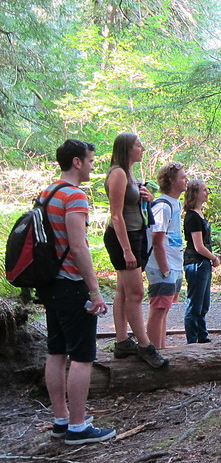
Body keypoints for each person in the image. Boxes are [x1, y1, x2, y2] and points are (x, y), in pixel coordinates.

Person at [39, 139, 116, 444]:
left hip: (49, 284)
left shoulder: (47, 194)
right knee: (82, 357)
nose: (93, 165)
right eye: (91, 160)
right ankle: (78, 426)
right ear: (77, 162)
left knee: (56, 352)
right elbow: (78, 246)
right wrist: (95, 292)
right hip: (72, 285)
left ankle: (61, 421)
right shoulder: (74, 196)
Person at [103, 133, 168, 368]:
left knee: (123, 290)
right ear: (127, 149)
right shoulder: (118, 173)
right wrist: (127, 251)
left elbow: (135, 207)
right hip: (124, 238)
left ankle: (122, 342)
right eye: (138, 145)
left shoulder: (130, 174)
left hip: (136, 235)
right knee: (136, 294)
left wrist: (149, 199)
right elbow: (116, 215)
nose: (142, 148)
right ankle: (145, 346)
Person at [144, 162, 188, 349]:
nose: (186, 180)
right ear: (171, 181)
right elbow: (157, 240)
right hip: (163, 267)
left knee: (165, 309)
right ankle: (154, 352)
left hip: (174, 265)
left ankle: (161, 349)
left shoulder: (175, 203)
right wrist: (165, 269)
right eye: (182, 177)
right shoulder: (162, 206)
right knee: (158, 310)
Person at [183, 179, 220, 344]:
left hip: (203, 264)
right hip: (196, 263)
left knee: (204, 303)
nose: (207, 193)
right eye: (204, 190)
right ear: (195, 194)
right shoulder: (192, 217)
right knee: (195, 304)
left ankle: (202, 337)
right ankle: (192, 340)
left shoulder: (200, 214)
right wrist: (214, 258)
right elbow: (198, 246)